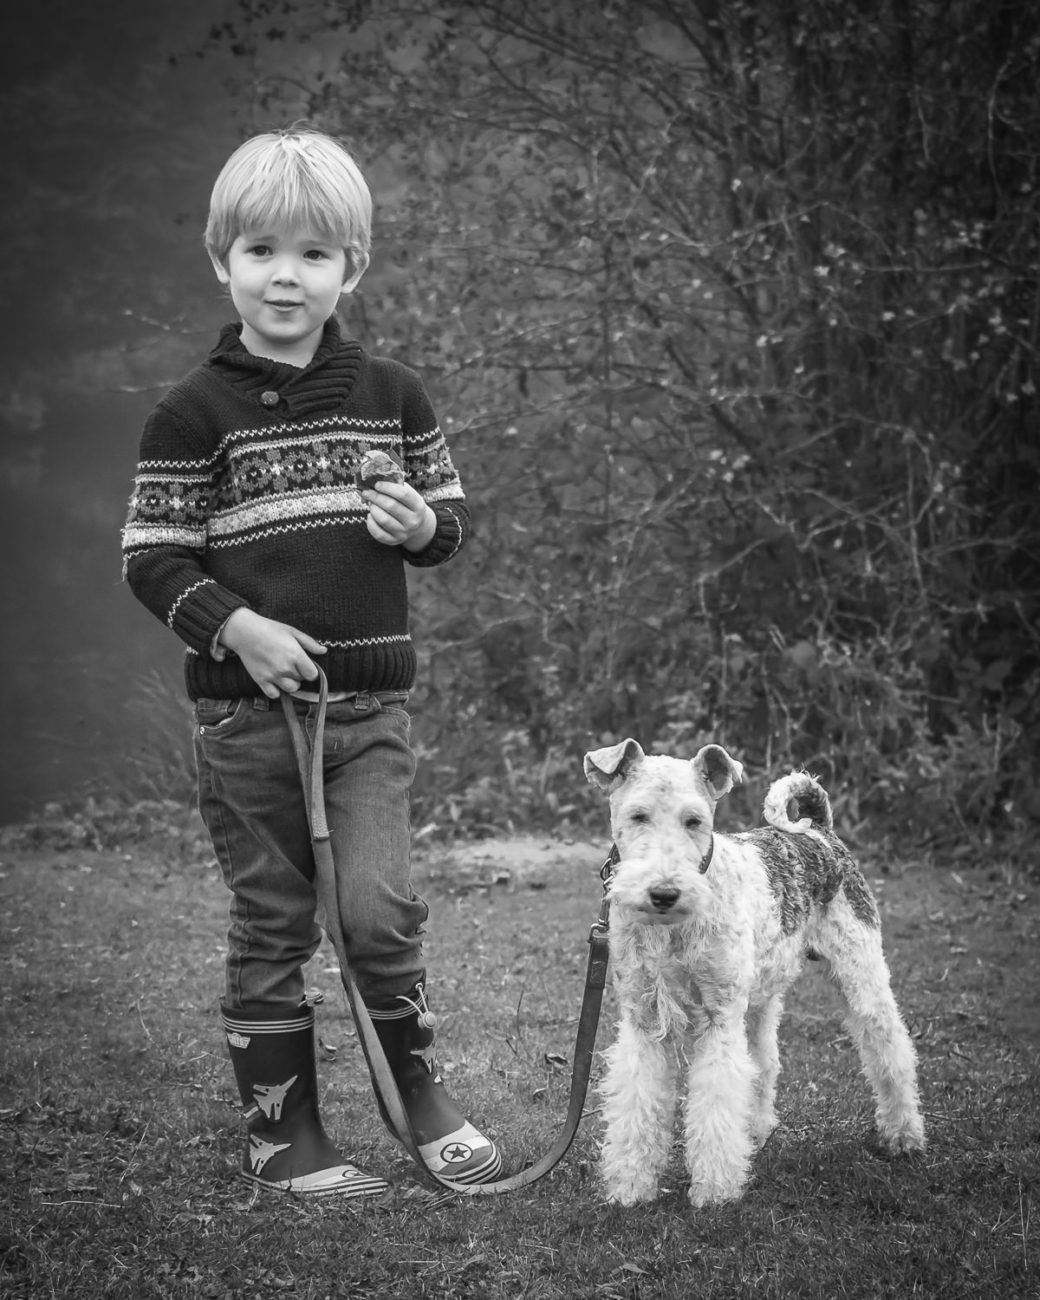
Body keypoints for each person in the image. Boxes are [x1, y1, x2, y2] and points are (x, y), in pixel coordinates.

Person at [121, 125, 501, 1197]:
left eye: (312, 254)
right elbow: (150, 558)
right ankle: (284, 1137)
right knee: (275, 921)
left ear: (351, 268)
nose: (285, 275)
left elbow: (451, 522)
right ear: (220, 259)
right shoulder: (191, 414)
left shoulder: (393, 393)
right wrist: (234, 626)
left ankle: (420, 1100)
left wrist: (418, 523)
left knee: (378, 910)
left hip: (369, 716)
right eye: (260, 251)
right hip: (246, 725)